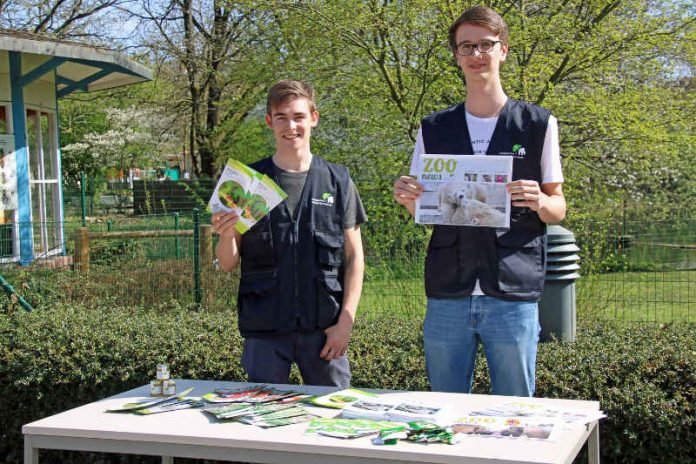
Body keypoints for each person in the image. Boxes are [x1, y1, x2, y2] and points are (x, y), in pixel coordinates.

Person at [393, 6, 566, 397]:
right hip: (448, 291)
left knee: (516, 412)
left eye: (485, 45)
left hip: (511, 291)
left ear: (503, 50)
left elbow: (559, 208)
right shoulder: (434, 127)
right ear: (455, 55)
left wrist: (540, 200)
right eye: (465, 47)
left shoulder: (538, 124)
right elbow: (424, 206)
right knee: (445, 412)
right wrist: (408, 196)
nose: (475, 55)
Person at [212, 79, 366, 387]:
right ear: (269, 121)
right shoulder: (247, 183)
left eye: (298, 116)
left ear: (314, 118)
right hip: (265, 333)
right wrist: (226, 235)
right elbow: (227, 264)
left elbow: (354, 258)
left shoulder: (338, 180)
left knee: (332, 421)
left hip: (324, 332)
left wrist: (345, 323)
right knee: (261, 422)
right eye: (281, 117)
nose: (291, 126)